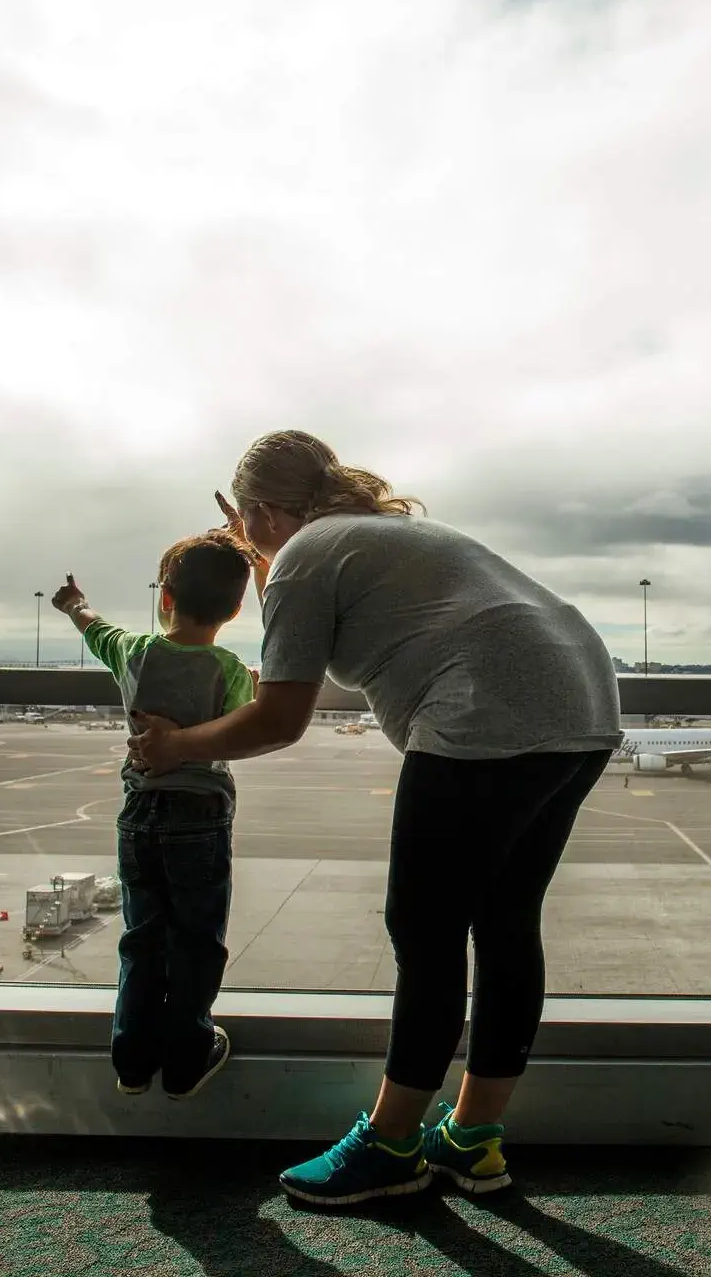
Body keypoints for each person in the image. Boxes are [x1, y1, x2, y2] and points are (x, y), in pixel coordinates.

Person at [133, 431, 621, 1206]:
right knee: (504, 923)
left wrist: (175, 746)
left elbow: (279, 718)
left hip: (486, 714)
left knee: (424, 933)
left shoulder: (307, 556)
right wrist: (266, 556)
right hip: (585, 699)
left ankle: (392, 1144)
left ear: (256, 510)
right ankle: (471, 1139)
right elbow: (310, 620)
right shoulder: (379, 536)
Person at [51, 531, 257, 1101]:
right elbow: (246, 728)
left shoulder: (136, 652)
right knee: (197, 938)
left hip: (138, 813)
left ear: (164, 598)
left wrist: (75, 604)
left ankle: (133, 1059)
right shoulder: (229, 668)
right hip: (200, 815)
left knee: (142, 937)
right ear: (236, 610)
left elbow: (96, 628)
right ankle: (188, 1056)